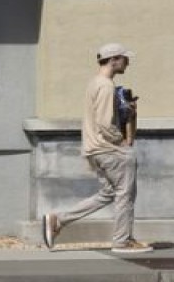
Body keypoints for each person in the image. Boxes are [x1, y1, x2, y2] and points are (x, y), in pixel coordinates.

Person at [41, 43, 151, 253]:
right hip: (110, 149)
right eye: (124, 58)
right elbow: (104, 122)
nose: (128, 62)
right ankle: (122, 241)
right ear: (113, 60)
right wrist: (122, 141)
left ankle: (58, 221)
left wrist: (127, 112)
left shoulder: (95, 83)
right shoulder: (106, 85)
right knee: (125, 195)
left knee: (108, 194)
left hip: (96, 149)